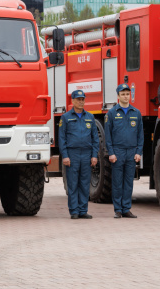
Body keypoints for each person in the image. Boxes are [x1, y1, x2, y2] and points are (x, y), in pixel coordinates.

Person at [58, 89, 98, 219]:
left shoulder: (90, 117)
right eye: (78, 99)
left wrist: (94, 155)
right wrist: (65, 156)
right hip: (72, 154)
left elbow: (95, 139)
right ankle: (74, 211)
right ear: (73, 101)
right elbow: (62, 138)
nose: (81, 102)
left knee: (84, 183)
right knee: (73, 183)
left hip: (86, 154)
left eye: (83, 99)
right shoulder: (66, 117)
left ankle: (83, 210)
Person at [104, 84, 143, 218]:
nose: (126, 96)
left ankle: (126, 208)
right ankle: (118, 210)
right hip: (118, 152)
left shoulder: (136, 113)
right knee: (117, 182)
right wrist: (111, 152)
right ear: (118, 96)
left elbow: (140, 135)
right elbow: (107, 136)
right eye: (123, 94)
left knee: (128, 182)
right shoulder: (112, 113)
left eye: (127, 94)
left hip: (132, 152)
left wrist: (139, 152)